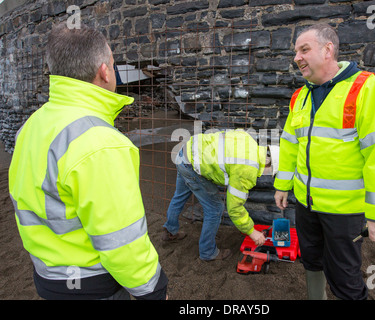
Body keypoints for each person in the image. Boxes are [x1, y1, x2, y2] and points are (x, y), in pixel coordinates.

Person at [8, 23, 168, 300]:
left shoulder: (32, 125)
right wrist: (152, 290)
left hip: (48, 276)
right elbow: (121, 240)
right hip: (93, 284)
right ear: (104, 71)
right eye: (113, 62)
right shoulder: (100, 142)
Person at [274, 24, 375, 300]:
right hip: (306, 206)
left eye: (304, 49)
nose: (297, 57)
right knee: (311, 261)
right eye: (296, 51)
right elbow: (290, 145)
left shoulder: (365, 88)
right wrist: (283, 185)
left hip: (343, 212)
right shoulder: (300, 96)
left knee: (345, 279)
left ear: (328, 50)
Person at [162, 129, 279, 261]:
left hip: (185, 152)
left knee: (179, 196)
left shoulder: (249, 140)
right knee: (215, 208)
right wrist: (252, 232)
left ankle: (170, 231)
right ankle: (208, 252)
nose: (267, 175)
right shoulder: (247, 169)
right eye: (271, 174)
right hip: (192, 166)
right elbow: (234, 208)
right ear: (269, 165)